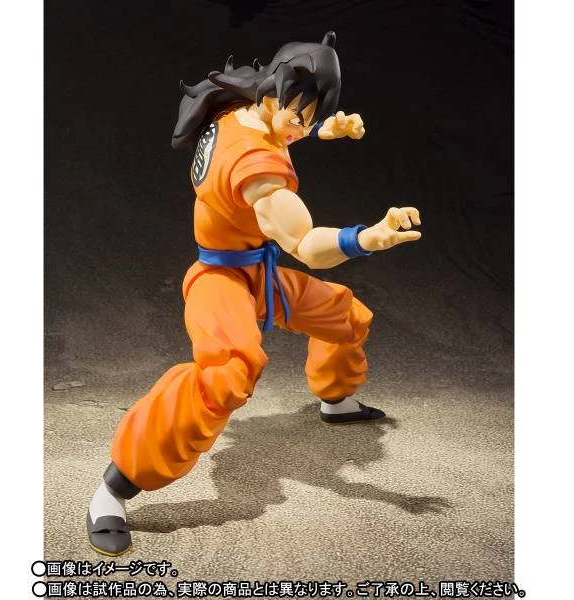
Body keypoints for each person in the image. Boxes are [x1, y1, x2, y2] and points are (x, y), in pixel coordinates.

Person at [87, 31, 422, 556]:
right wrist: (367, 238)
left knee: (346, 315)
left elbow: (281, 128)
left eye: (308, 117)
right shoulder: (257, 170)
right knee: (228, 375)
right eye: (299, 115)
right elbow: (307, 247)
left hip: (258, 275)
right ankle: (115, 486)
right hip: (220, 281)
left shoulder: (242, 110)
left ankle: (336, 400)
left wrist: (324, 128)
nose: (299, 127)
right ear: (274, 93)